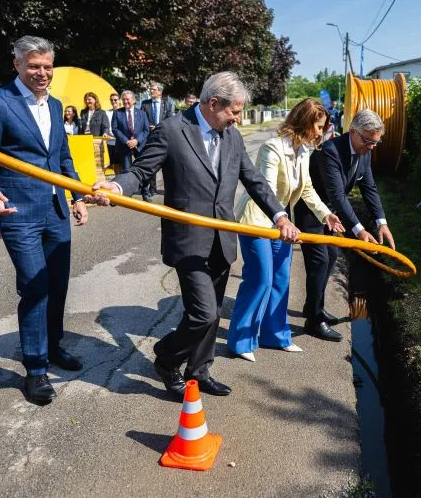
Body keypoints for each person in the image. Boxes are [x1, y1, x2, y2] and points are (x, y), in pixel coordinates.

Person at [87, 71, 300, 399]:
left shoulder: (232, 137)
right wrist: (115, 186)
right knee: (203, 313)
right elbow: (142, 171)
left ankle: (199, 371)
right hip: (187, 240)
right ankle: (166, 358)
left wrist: (280, 215)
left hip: (223, 238)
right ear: (213, 103)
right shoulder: (172, 131)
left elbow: (254, 179)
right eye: (235, 111)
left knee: (212, 314)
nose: (238, 118)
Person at [0, 35, 89, 405]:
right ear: (17, 65)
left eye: (47, 67)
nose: (42, 73)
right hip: (19, 213)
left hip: (55, 211)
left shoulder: (55, 105)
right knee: (35, 287)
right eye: (34, 66)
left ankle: (53, 347)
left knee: (57, 285)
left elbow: (62, 157)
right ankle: (36, 369)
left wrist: (77, 196)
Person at [228, 99, 344, 362]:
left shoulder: (304, 150)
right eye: (318, 126)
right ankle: (239, 340)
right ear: (304, 122)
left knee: (281, 280)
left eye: (323, 127)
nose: (320, 132)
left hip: (283, 224)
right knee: (261, 280)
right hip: (257, 220)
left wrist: (326, 214)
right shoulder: (272, 147)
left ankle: (275, 335)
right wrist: (281, 220)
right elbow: (265, 189)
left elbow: (306, 189)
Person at [294, 109, 395, 342]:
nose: (371, 146)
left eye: (375, 142)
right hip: (312, 211)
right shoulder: (330, 152)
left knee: (329, 258)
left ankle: (313, 307)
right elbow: (338, 196)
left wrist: (382, 223)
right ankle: (314, 320)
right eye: (368, 141)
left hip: (332, 214)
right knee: (320, 260)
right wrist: (359, 230)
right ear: (353, 132)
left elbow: (369, 188)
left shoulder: (366, 152)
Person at [140, 81, 174, 197]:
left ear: (160, 91)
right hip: (149, 136)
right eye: (151, 89)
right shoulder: (145, 104)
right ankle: (152, 188)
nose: (151, 91)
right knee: (152, 162)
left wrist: (158, 127)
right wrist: (149, 126)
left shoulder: (167, 104)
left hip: (163, 136)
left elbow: (170, 119)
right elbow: (142, 118)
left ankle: (168, 188)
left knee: (166, 163)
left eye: (153, 89)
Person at [111, 90, 150, 185]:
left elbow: (146, 130)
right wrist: (126, 141)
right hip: (125, 147)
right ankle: (128, 194)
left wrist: (137, 140)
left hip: (139, 146)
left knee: (142, 169)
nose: (125, 102)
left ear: (133, 100)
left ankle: (145, 192)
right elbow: (115, 129)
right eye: (123, 99)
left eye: (127, 99)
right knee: (127, 172)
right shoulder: (117, 113)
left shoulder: (142, 113)